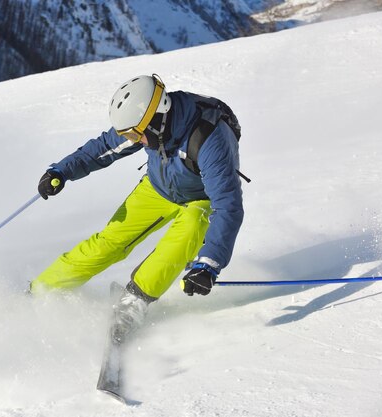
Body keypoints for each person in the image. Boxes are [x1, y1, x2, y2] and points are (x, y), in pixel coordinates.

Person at [31, 74, 244, 339]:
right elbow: (105, 147)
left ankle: (134, 302)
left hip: (200, 199)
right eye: (129, 134)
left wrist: (208, 265)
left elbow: (227, 204)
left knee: (187, 232)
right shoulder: (148, 124)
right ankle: (41, 290)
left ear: (158, 119)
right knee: (109, 242)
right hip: (157, 188)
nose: (134, 139)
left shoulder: (210, 140)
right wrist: (62, 171)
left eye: (135, 134)